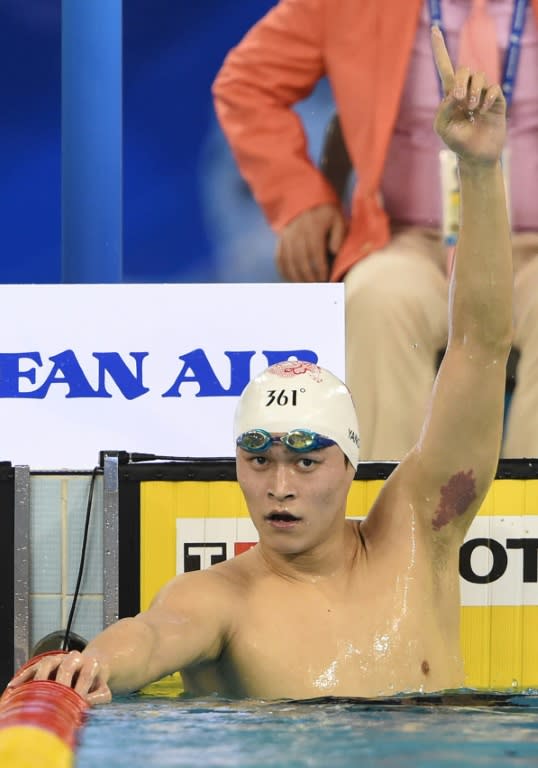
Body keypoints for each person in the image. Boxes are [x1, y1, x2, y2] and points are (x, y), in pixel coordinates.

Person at [7, 29, 512, 704]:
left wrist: (479, 171)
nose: (279, 485)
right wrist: (91, 666)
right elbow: (153, 635)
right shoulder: (221, 600)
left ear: (349, 464)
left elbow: (479, 346)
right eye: (259, 457)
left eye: (306, 459)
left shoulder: (418, 538)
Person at [212, 0, 538, 461]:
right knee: (376, 299)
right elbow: (247, 83)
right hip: (410, 244)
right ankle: (383, 522)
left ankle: (530, 517)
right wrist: (300, 201)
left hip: (532, 251)